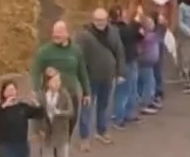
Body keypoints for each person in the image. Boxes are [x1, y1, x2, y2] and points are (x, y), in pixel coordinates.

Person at [77, 8, 125, 147]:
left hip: (108, 76)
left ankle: (101, 130)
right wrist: (82, 77)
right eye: (97, 20)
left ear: (107, 20)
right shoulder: (84, 36)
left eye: (103, 20)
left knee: (103, 105)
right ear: (92, 20)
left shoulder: (114, 32)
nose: (100, 23)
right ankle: (84, 137)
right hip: (91, 78)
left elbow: (119, 52)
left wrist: (120, 72)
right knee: (87, 107)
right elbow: (81, 58)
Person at [28, 21, 89, 119]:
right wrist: (36, 90)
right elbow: (35, 71)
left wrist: (87, 92)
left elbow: (82, 72)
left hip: (71, 93)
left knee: (71, 121)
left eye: (59, 33)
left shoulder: (75, 50)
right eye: (54, 32)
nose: (55, 35)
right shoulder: (44, 52)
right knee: (52, 124)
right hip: (52, 95)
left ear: (67, 33)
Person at [35, 67, 76, 157]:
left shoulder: (64, 94)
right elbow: (36, 115)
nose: (58, 83)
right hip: (46, 132)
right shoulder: (41, 96)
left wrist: (59, 112)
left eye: (59, 80)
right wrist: (37, 130)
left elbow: (70, 111)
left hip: (61, 132)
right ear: (47, 83)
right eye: (55, 81)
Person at [131, 10, 164, 114]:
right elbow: (160, 34)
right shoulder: (150, 37)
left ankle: (143, 101)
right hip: (145, 63)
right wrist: (162, 24)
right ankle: (145, 103)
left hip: (147, 63)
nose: (153, 25)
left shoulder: (146, 36)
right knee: (148, 83)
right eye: (151, 24)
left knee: (142, 83)